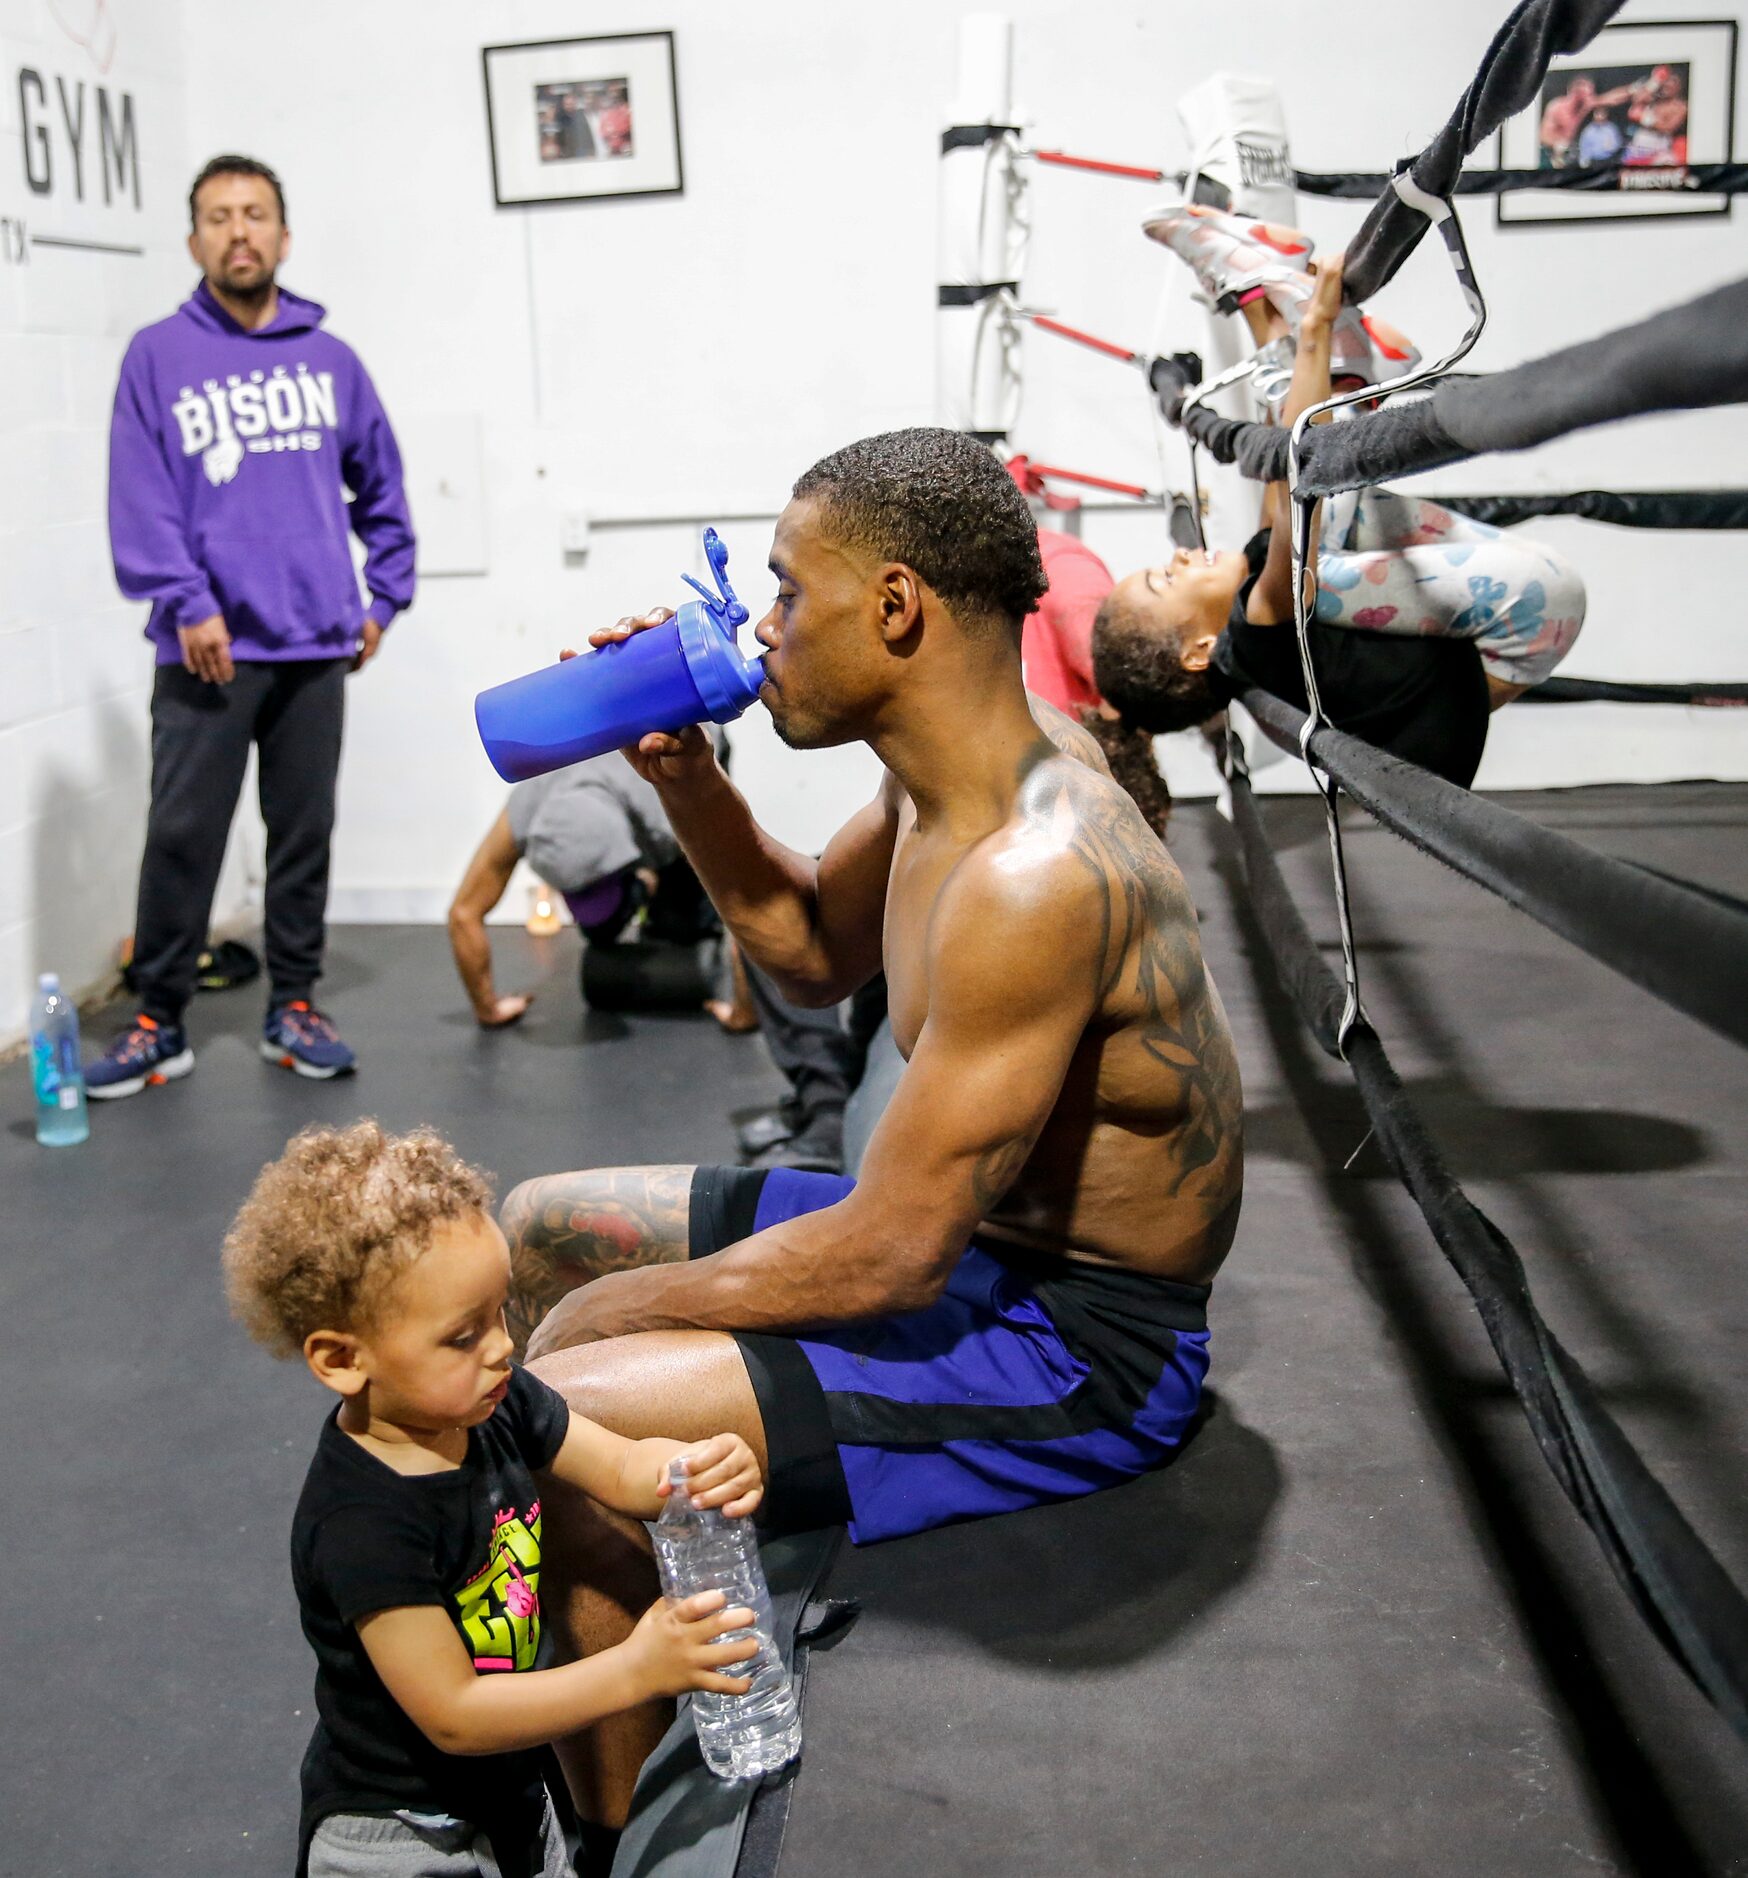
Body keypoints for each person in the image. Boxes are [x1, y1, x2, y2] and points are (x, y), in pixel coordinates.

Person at [492, 426, 1243, 1820]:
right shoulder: (941, 782)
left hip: (1075, 1342)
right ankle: (567, 1723)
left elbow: (893, 1255)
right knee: (538, 1230)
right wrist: (684, 773)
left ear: (895, 607)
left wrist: (614, 1317)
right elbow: (805, 947)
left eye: (788, 592)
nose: (764, 628)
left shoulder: (1038, 867)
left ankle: (588, 1843)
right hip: (969, 1254)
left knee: (567, 1412)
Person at [223, 1119, 765, 1878]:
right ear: (342, 1360)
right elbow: (454, 1714)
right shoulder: (364, 1524)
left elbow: (621, 1468)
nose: (503, 1346)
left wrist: (695, 1465)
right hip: (405, 1833)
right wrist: (637, 1670)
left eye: (501, 1311)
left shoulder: (493, 1403)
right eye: (461, 1335)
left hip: (511, 1785)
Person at [86, 154, 413, 1098]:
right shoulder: (158, 355)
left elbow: (383, 490)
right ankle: (158, 1018)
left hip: (315, 646)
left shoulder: (330, 360)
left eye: (256, 214)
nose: (239, 231)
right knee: (182, 833)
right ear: (194, 241)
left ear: (282, 235)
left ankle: (296, 1005)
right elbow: (139, 499)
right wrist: (188, 601)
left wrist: (381, 598)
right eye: (220, 216)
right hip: (208, 649)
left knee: (301, 834)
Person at [1110, 219, 1585, 785]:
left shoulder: (1255, 627)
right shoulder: (1256, 636)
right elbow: (1296, 483)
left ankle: (1344, 371)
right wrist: (1315, 327)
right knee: (1312, 522)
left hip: (1488, 642)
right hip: (1535, 610)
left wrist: (1259, 309)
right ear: (1199, 650)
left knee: (1319, 515)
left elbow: (1277, 487)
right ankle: (1342, 376)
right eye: (1166, 577)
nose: (1182, 556)